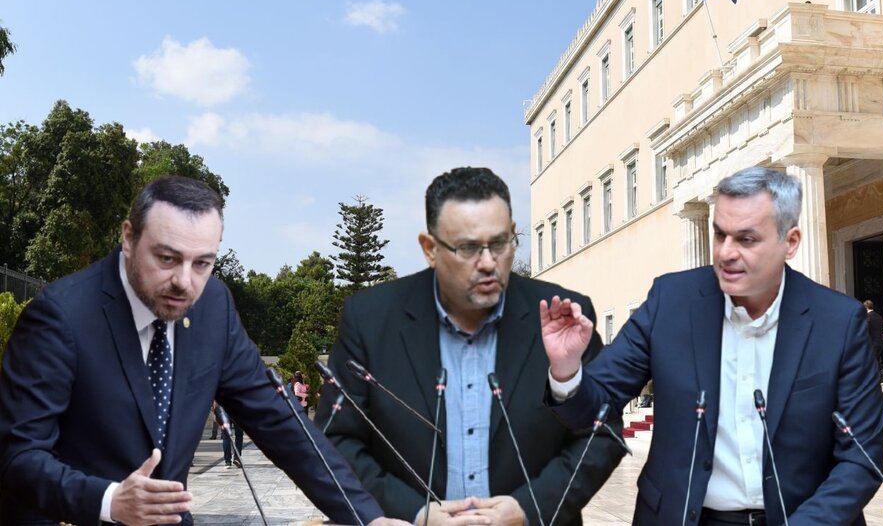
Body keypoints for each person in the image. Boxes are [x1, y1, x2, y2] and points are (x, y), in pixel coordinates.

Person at [0, 176, 408, 526]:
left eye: (202, 263)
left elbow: (281, 422)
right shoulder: (61, 315)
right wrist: (109, 501)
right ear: (128, 237)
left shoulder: (213, 306)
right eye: (167, 258)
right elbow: (17, 454)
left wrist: (368, 517)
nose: (184, 282)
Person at [542, 166, 883, 526]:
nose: (726, 253)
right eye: (720, 235)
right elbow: (596, 406)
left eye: (746, 239)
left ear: (791, 242)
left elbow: (861, 459)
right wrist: (566, 370)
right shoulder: (669, 302)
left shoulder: (838, 322)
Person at [318, 167, 624, 526]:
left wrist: (529, 508)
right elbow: (336, 439)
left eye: (500, 243)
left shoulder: (563, 317)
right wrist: (414, 513)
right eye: (468, 248)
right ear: (430, 249)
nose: (489, 263)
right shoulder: (370, 321)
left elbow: (601, 432)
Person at [864, 300, 883, 381]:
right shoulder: (879, 316)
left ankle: (876, 376)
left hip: (872, 342)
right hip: (880, 342)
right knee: (876, 359)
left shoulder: (868, 316)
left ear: (866, 308)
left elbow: (866, 330)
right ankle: (879, 375)